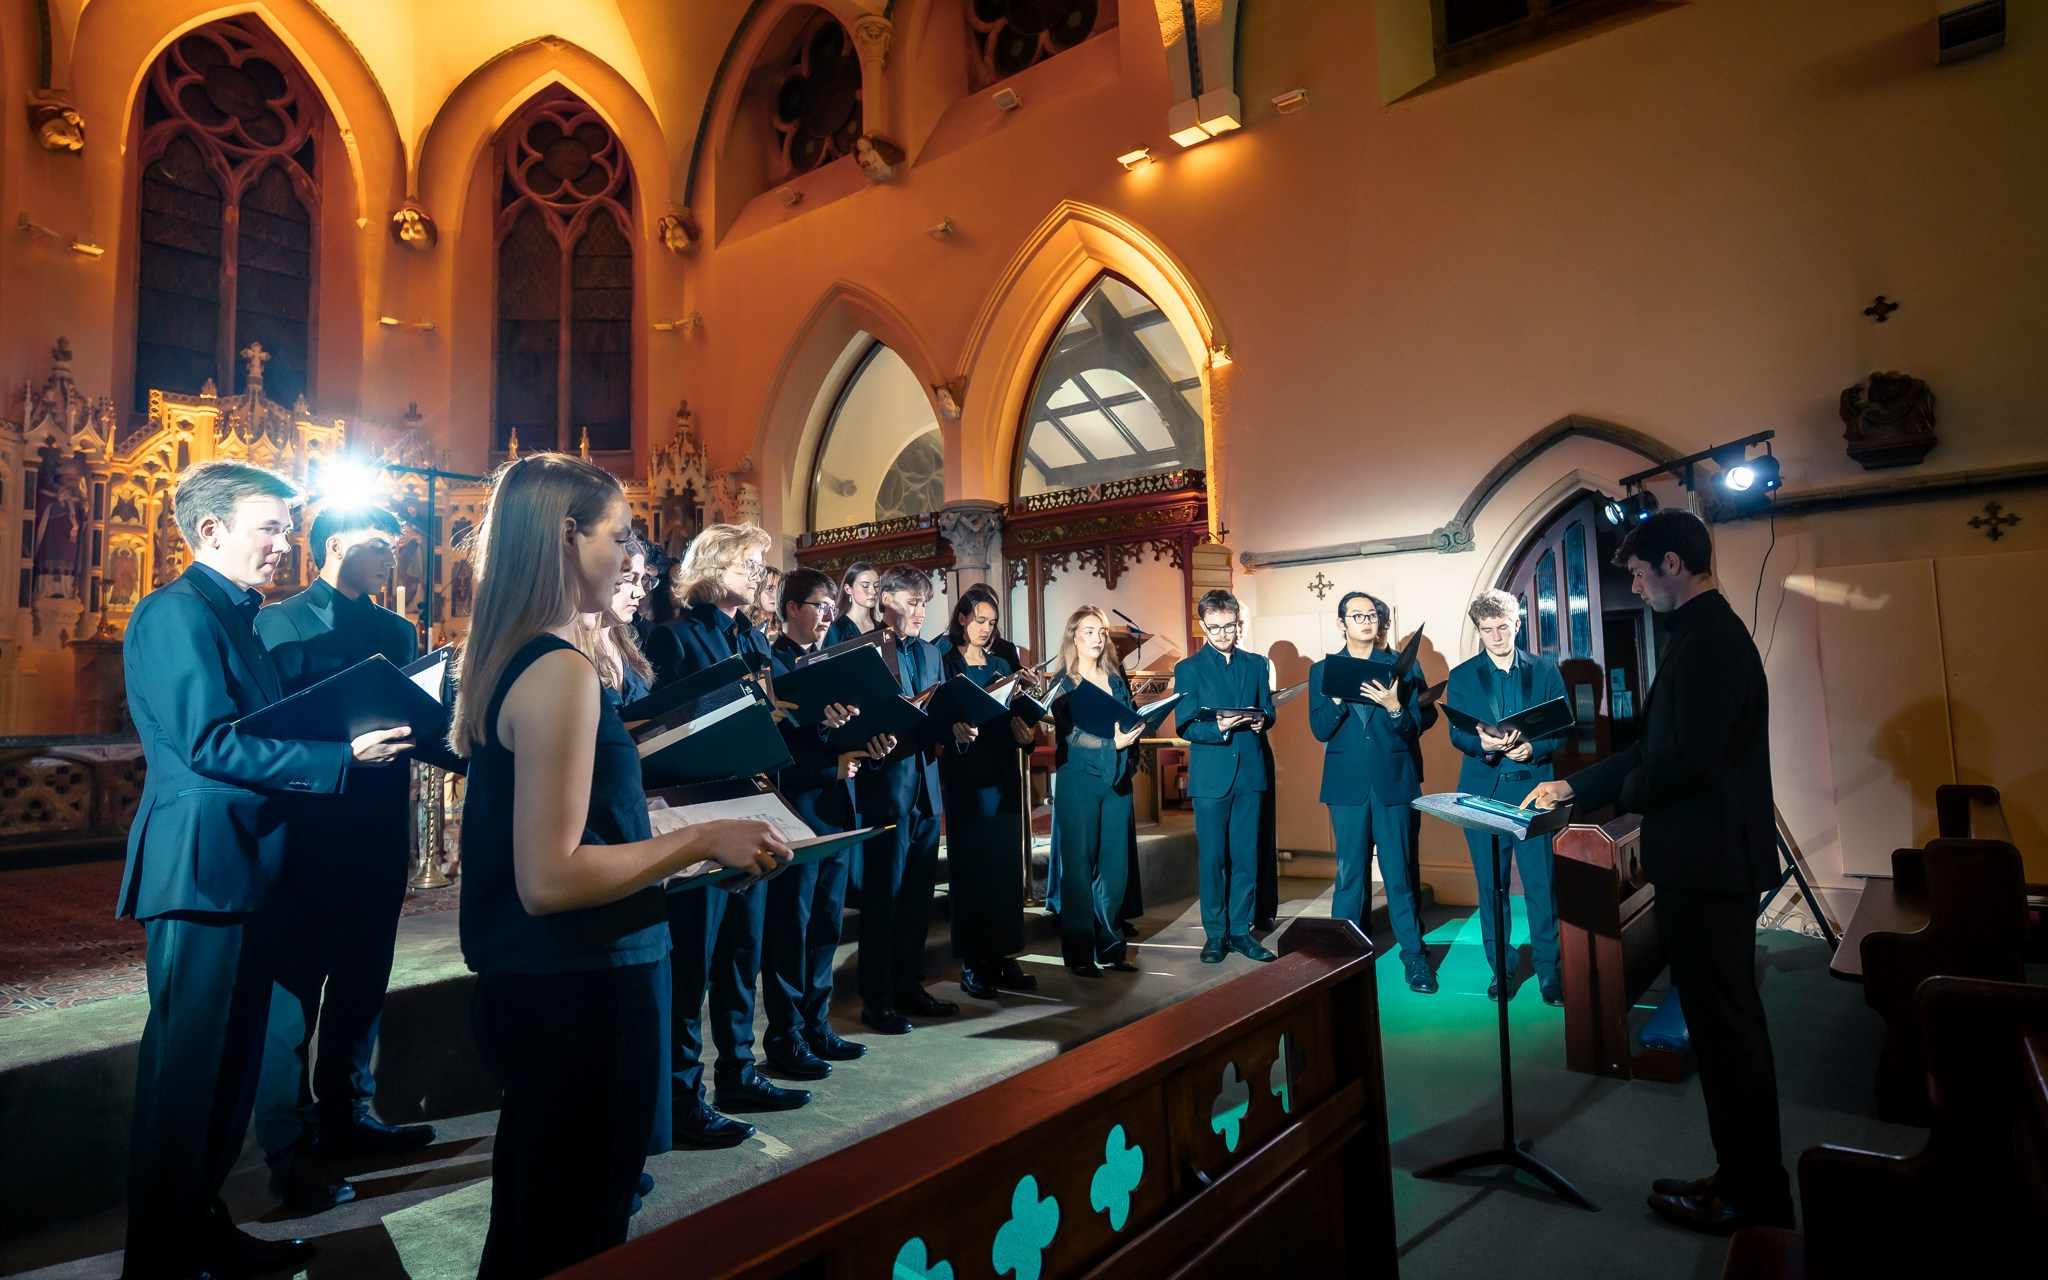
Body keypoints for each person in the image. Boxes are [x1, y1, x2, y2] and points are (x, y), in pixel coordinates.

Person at [450, 454, 788, 1278]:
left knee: (536, 1224)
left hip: (547, 986)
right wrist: (702, 841)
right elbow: (551, 877)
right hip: (582, 986)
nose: (638, 555)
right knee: (578, 1236)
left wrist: (662, 835)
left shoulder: (518, 656)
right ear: (568, 538)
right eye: (621, 534)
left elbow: (571, 836)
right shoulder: (560, 671)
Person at [117, 460, 412, 1280]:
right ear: (211, 530)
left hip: (250, 869)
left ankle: (203, 1230)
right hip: (203, 872)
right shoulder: (175, 613)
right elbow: (208, 743)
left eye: (288, 527)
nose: (287, 543)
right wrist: (337, 755)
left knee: (226, 1075)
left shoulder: (238, 618)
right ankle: (161, 1261)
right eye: (273, 527)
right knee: (186, 1081)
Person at [1524, 509, 1791, 1234]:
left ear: (1674, 563)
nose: (1636, 588)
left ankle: (1753, 1194)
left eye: (1640, 574)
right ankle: (1740, 1176)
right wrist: (1572, 787)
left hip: (1707, 865)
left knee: (1727, 1031)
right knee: (1721, 1026)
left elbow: (1683, 762)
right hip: (1706, 861)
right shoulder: (1701, 634)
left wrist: (1622, 799)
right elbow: (1653, 750)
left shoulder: (1709, 641)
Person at [252, 501, 434, 1214]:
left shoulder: (397, 629)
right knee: (291, 1000)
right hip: (305, 829)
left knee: (363, 984)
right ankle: (291, 1152)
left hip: (378, 825)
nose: (391, 558)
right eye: (376, 546)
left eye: (394, 548)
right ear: (331, 547)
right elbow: (265, 729)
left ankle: (350, 1115)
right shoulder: (276, 621)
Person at [647, 524, 811, 1140]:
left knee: (744, 950)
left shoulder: (750, 637)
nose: (759, 575)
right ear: (712, 566)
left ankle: (739, 1072)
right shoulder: (673, 638)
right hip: (702, 814)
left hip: (755, 805)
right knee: (695, 958)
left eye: (760, 566)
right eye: (747, 563)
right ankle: (682, 1097)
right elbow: (661, 736)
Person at [761, 568, 889, 1074]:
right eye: (818, 605)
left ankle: (817, 1025)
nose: (827, 616)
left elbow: (856, 727)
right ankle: (785, 1036)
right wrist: (827, 762)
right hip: (797, 808)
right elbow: (773, 750)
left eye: (832, 607)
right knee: (791, 926)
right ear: (790, 608)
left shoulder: (832, 659)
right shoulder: (770, 663)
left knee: (826, 925)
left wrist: (875, 745)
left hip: (839, 807)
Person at [1308, 592, 1438, 994]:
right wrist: (1334, 701)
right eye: (1357, 615)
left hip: (1393, 781)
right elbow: (1320, 730)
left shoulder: (1402, 666)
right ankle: (1344, 956)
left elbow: (1416, 725)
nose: (1366, 620)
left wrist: (1396, 707)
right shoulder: (1321, 671)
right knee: (1349, 876)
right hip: (1347, 785)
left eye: (1372, 615)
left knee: (1399, 875)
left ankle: (1415, 959)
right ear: (1341, 622)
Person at [1446, 588, 1570, 1004]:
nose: (1496, 637)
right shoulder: (1462, 675)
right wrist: (1486, 746)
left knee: (1541, 884)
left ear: (1517, 624)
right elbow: (1456, 732)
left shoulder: (1546, 669)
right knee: (1492, 888)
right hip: (1485, 789)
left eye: (1503, 627)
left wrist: (1534, 747)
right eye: (1487, 630)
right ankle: (1502, 971)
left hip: (1535, 789)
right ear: (1478, 631)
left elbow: (1564, 727)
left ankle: (1551, 973)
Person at [851, 564, 960, 1032]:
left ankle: (910, 985)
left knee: (916, 899)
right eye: (912, 602)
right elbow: (858, 716)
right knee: (884, 900)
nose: (921, 611)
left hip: (925, 791)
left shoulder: (934, 654)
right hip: (886, 787)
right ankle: (876, 998)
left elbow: (933, 715)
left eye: (924, 603)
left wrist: (957, 727)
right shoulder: (865, 649)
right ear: (886, 601)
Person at [937, 588, 1039, 998]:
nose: (986, 628)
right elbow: (936, 716)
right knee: (972, 871)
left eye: (992, 622)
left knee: (1004, 869)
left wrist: (1026, 734)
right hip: (966, 777)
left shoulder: (1002, 663)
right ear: (962, 618)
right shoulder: (945, 662)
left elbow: (1020, 721)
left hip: (1002, 773)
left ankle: (1003, 955)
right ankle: (974, 962)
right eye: (979, 620)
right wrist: (952, 731)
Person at [1174, 589, 1277, 965]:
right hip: (1211, 777)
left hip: (1251, 773)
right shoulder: (1189, 669)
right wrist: (1219, 727)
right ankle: (1215, 935)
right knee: (1214, 859)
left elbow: (1268, 709)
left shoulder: (1256, 664)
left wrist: (1263, 718)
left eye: (1228, 626)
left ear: (1239, 623)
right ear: (1203, 626)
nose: (1221, 634)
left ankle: (1240, 931)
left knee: (1247, 858)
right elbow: (1184, 725)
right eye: (1214, 628)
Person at [1048, 606, 1146, 977]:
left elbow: (1132, 718)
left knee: (1114, 869)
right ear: (1074, 635)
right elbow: (1071, 733)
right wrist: (1113, 745)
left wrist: (1135, 734)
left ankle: (1110, 946)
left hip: (1117, 780)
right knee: (1077, 869)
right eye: (1089, 631)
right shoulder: (1064, 682)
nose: (1097, 638)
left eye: (1102, 632)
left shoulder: (1116, 679)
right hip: (1079, 780)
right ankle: (1079, 954)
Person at [826, 560, 879, 645]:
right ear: (848, 589)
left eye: (876, 586)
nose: (873, 591)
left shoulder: (882, 627)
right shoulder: (837, 629)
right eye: (865, 586)